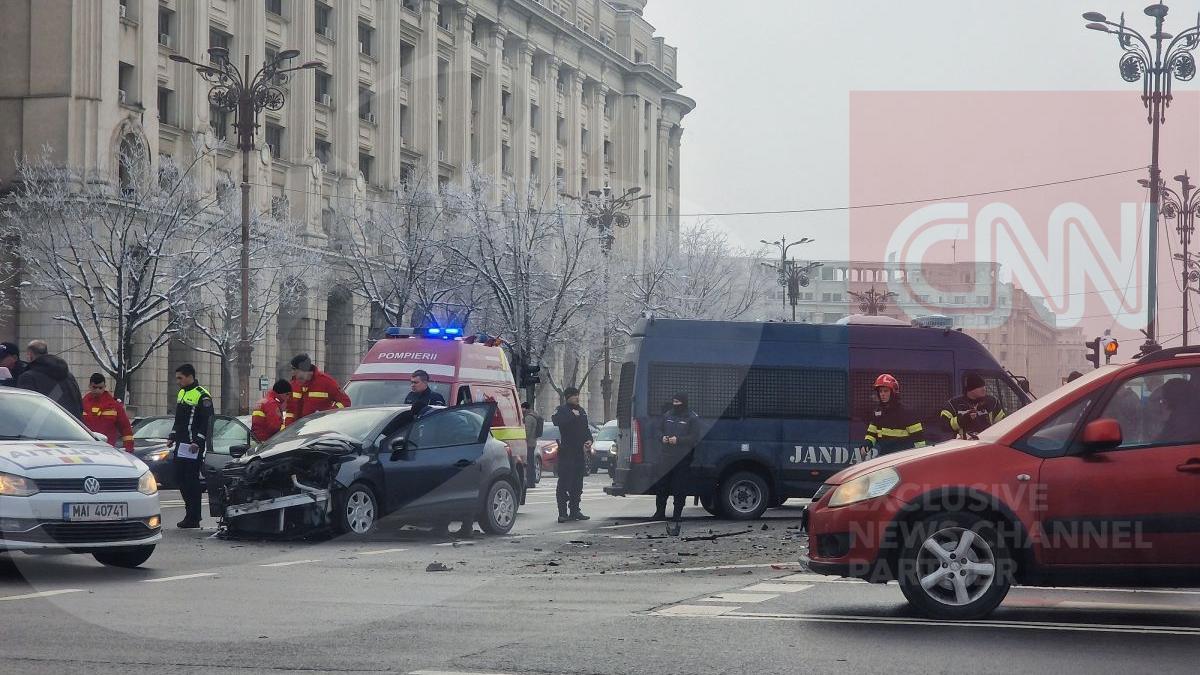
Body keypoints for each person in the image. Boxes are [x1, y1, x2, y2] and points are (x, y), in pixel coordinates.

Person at [169, 364, 212, 529]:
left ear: (189, 376)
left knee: (191, 480)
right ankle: (190, 513)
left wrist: (198, 441)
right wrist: (172, 436)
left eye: (180, 378)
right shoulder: (182, 393)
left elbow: (207, 421)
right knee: (179, 478)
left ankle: (194, 516)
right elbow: (179, 419)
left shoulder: (202, 395)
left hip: (193, 445)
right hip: (181, 443)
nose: (178, 381)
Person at [654, 392, 700, 533]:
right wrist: (662, 437)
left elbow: (694, 437)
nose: (675, 404)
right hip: (666, 456)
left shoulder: (692, 418)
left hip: (682, 458)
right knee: (662, 485)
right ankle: (659, 512)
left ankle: (677, 515)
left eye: (678, 402)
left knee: (679, 487)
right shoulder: (667, 415)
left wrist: (678, 440)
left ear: (684, 403)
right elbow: (657, 430)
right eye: (674, 401)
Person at [551, 387, 593, 523]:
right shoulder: (562, 410)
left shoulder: (581, 411)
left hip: (578, 453)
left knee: (577, 483)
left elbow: (586, 429)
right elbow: (556, 421)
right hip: (566, 451)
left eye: (577, 395)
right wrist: (571, 416)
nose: (577, 398)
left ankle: (575, 510)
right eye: (574, 395)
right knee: (564, 483)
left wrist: (589, 440)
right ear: (568, 397)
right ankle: (562, 513)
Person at [17, 340, 83, 418]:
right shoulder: (68, 376)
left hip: (44, 426)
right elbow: (79, 404)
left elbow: (25, 409)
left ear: (30, 354)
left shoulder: (28, 377)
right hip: (71, 426)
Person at [864, 374, 926, 457]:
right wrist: (866, 445)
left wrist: (918, 459)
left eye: (886, 391)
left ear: (893, 392)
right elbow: (871, 433)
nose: (882, 394)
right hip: (884, 457)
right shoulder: (878, 412)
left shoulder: (906, 412)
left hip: (902, 459)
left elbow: (919, 440)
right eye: (880, 391)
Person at [284, 354, 350, 427]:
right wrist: (288, 428)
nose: (292, 372)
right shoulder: (293, 384)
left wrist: (327, 414)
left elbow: (345, 401)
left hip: (319, 429)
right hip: (297, 431)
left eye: (294, 369)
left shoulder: (326, 382)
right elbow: (290, 410)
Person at [941, 373, 1006, 440]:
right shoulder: (953, 404)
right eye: (979, 387)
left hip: (987, 444)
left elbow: (1003, 424)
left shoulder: (992, 402)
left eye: (984, 386)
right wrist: (963, 419)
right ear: (970, 390)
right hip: (963, 446)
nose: (984, 389)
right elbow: (945, 426)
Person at [82, 373, 134, 452]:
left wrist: (129, 448)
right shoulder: (81, 405)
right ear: (89, 386)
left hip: (108, 450)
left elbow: (125, 428)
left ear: (105, 387)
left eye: (100, 388)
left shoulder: (114, 406)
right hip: (86, 450)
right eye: (94, 387)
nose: (97, 390)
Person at [522, 401, 544, 487]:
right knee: (531, 463)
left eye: (522, 408)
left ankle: (530, 482)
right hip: (533, 442)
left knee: (529, 463)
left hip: (529, 443)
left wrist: (523, 439)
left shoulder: (528, 418)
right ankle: (532, 482)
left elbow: (526, 432)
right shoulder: (534, 415)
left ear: (524, 408)